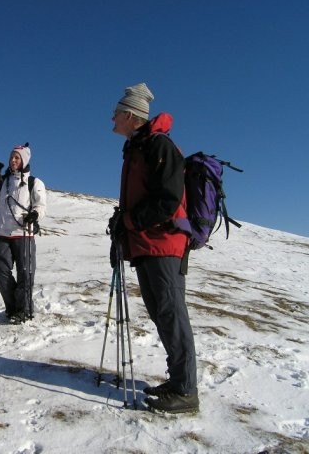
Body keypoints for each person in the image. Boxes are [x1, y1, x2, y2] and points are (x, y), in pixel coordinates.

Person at [109, 83, 199, 414]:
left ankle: (186, 391)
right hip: (148, 245)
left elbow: (168, 199)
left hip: (164, 245)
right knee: (163, 313)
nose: (112, 117)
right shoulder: (137, 148)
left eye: (116, 112)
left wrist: (130, 222)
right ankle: (178, 383)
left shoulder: (160, 146)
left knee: (172, 314)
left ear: (131, 115)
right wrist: (123, 225)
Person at [0, 144, 47, 324]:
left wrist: (35, 215)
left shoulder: (34, 183)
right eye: (12, 157)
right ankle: (14, 306)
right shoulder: (1, 183)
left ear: (24, 160)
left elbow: (40, 205)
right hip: (2, 233)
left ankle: (23, 311)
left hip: (24, 234)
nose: (13, 160)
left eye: (17, 158)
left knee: (25, 274)